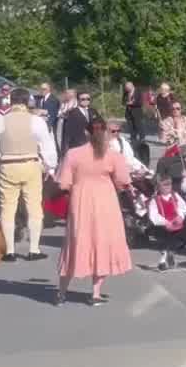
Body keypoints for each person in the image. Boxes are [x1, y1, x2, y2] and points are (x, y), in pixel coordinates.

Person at [53, 117, 133, 306]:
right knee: (102, 244)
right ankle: (95, 293)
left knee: (75, 243)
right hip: (106, 202)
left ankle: (61, 292)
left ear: (86, 132)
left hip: (80, 202)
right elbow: (123, 182)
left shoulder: (73, 154)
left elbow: (63, 182)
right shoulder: (113, 155)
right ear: (105, 132)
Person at [0, 87, 58, 261]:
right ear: (27, 102)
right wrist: (50, 166)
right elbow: (47, 145)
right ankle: (34, 249)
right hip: (31, 164)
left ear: (11, 101)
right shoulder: (36, 121)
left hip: (7, 165)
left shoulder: (0, 121)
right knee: (34, 208)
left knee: (7, 208)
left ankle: (9, 251)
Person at [59, 89, 98, 154]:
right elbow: (67, 135)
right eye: (83, 99)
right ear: (78, 100)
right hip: (78, 146)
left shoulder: (93, 111)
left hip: (91, 145)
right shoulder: (72, 113)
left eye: (88, 99)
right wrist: (66, 151)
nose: (86, 101)